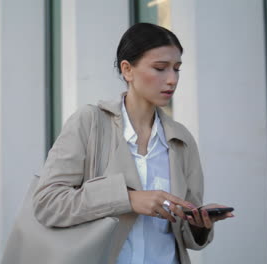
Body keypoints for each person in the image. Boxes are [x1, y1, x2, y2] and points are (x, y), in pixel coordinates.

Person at [33, 23, 234, 264]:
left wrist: (199, 225)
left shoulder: (181, 140)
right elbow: (47, 203)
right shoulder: (90, 122)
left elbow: (185, 237)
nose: (172, 79)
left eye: (177, 69)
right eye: (160, 68)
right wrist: (128, 199)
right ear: (127, 70)